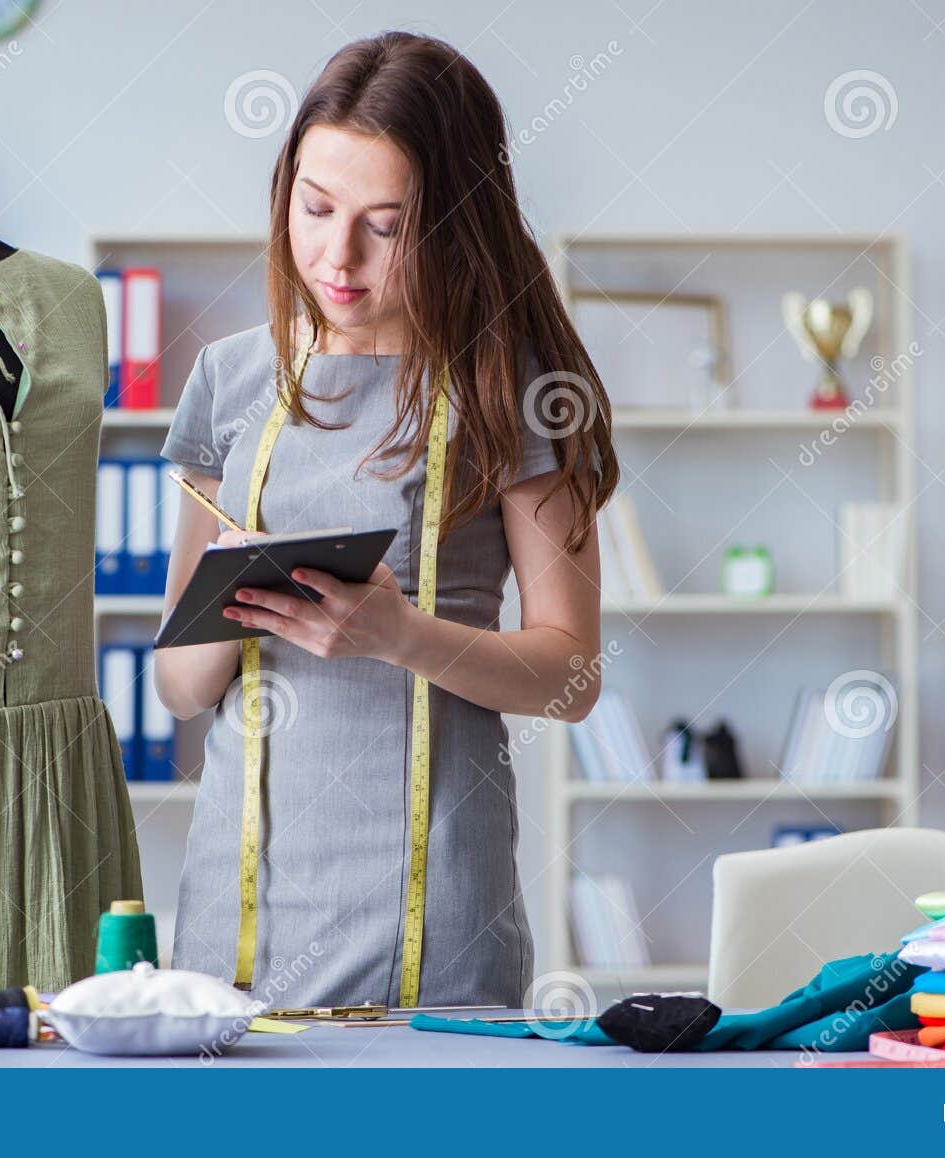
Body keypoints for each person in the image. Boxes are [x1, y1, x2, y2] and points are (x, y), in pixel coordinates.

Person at [156, 31, 619, 1008]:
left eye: (386, 225)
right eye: (315, 208)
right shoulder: (230, 379)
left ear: (452, 224)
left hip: (435, 918)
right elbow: (179, 686)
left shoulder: (517, 388)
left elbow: (572, 675)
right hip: (237, 911)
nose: (337, 255)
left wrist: (398, 635)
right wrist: (226, 597)